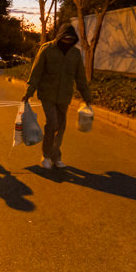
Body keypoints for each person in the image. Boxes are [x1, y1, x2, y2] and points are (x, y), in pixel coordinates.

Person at [22, 24, 92, 170]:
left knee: (61, 127)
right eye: (65, 39)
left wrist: (86, 96)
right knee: (52, 123)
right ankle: (46, 156)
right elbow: (36, 72)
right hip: (47, 94)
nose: (67, 42)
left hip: (64, 96)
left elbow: (80, 77)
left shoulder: (75, 54)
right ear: (59, 37)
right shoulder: (47, 49)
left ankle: (56, 156)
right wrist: (28, 92)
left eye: (70, 40)